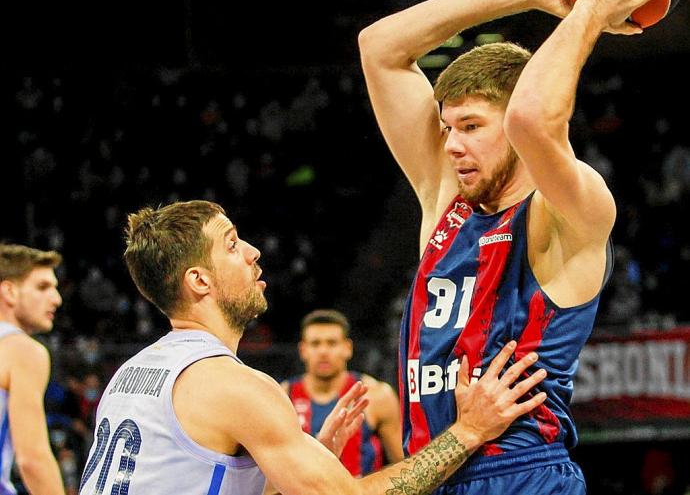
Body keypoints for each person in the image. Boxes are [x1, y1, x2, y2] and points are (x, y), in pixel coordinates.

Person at [358, 0, 675, 494]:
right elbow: (379, 45)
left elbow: (533, 118)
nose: (451, 145)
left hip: (519, 474)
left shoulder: (569, 210)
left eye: (473, 127)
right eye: (447, 128)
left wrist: (590, 11)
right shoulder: (445, 197)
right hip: (433, 468)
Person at [79, 199, 547, 494]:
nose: (252, 252)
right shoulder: (233, 386)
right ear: (199, 280)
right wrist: (468, 431)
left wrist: (290, 469)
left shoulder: (129, 374)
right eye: (231, 244)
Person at [282, 309, 404, 476]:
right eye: (315, 343)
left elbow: (403, 464)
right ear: (303, 350)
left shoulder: (378, 396)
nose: (323, 351)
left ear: (347, 348)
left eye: (331, 343)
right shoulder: (282, 397)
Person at [0, 243, 66, 495]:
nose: (56, 299)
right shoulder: (22, 351)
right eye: (42, 287)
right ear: (9, 291)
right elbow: (32, 459)